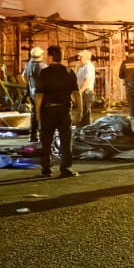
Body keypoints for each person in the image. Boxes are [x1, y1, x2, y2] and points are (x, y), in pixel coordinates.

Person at [35, 45, 79, 178]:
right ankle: (66, 168)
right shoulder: (69, 72)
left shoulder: (44, 73)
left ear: (51, 57)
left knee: (46, 141)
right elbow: (77, 94)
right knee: (66, 140)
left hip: (48, 110)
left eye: (46, 56)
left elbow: (39, 96)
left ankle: (46, 169)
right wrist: (80, 111)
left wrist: (37, 114)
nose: (45, 58)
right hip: (64, 111)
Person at [23, 46, 45, 142]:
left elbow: (24, 76)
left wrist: (30, 85)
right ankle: (42, 135)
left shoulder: (28, 64)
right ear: (41, 55)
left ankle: (32, 135)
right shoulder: (42, 66)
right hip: (40, 93)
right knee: (42, 113)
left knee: (34, 114)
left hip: (32, 91)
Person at [74, 50, 97, 127]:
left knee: (85, 114)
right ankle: (84, 129)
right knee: (83, 113)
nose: (79, 58)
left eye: (81, 56)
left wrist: (80, 92)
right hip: (84, 92)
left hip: (86, 93)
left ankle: (86, 130)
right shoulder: (83, 67)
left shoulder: (88, 67)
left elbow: (87, 80)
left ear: (87, 57)